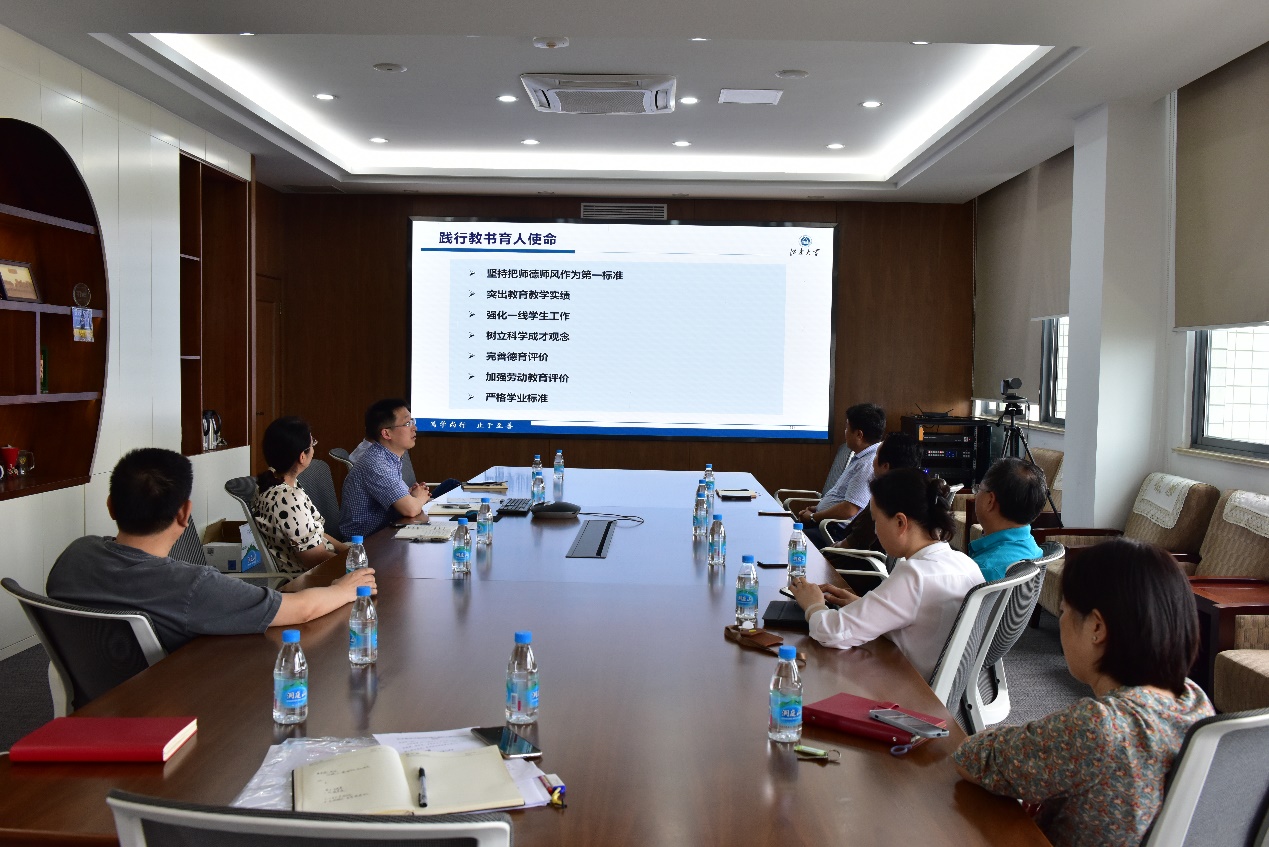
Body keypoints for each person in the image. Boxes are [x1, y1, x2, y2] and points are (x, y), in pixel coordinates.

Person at [953, 538, 1213, 847]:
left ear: (1097, 628)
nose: (1062, 620)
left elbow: (972, 758)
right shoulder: (1194, 702)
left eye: (1064, 610)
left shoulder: (1100, 726)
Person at [46, 448, 375, 654]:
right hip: (171, 704)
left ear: (110, 506)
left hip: (94, 705)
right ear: (184, 514)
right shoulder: (192, 587)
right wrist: (343, 589)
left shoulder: (75, 556)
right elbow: (299, 611)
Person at [789, 468, 983, 681]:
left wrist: (813, 605)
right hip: (943, 685)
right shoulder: (966, 563)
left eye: (876, 521)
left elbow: (832, 633)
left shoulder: (915, 575)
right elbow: (916, 619)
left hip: (908, 686)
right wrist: (864, 605)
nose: (875, 531)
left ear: (900, 522)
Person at [253, 416, 348, 574]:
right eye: (312, 444)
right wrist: (354, 565)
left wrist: (349, 551)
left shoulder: (272, 482)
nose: (314, 448)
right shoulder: (288, 499)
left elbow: (313, 533)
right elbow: (316, 559)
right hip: (312, 578)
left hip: (323, 565)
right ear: (302, 457)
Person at [340, 399, 440, 539]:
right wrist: (419, 498)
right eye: (407, 423)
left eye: (413, 421)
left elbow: (408, 503)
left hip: (388, 533)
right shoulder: (376, 463)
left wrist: (414, 498)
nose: (414, 428)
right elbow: (410, 509)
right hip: (365, 543)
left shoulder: (389, 457)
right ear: (386, 434)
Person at [796, 402, 886, 547]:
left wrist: (813, 517)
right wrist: (819, 509)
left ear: (859, 434)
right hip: (826, 524)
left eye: (847, 428)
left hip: (832, 532)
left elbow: (849, 510)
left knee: (789, 541)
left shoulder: (867, 464)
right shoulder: (862, 457)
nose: (845, 432)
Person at [825, 431, 921, 550]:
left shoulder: (882, 500)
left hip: (853, 558)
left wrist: (829, 549)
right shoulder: (913, 495)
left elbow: (852, 543)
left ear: (885, 466)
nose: (873, 461)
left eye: (875, 455)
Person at [969, 457, 1046, 582]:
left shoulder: (983, 569)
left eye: (978, 489)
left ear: (990, 500)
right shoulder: (1032, 548)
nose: (976, 494)